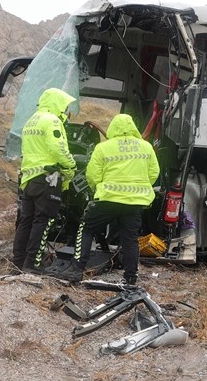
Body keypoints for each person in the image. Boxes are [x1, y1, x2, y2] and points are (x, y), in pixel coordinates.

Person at [62, 113, 161, 286]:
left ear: (113, 128)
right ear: (133, 128)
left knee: (86, 228)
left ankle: (76, 270)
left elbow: (92, 175)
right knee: (130, 239)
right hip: (134, 203)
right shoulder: (146, 147)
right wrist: (139, 187)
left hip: (107, 199)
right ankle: (131, 277)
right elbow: (154, 173)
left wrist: (98, 188)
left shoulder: (103, 147)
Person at [12, 88, 78, 274]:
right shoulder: (52, 121)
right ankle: (33, 263)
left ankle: (18, 262)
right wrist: (71, 164)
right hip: (47, 178)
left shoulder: (31, 121)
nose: (65, 110)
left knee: (26, 221)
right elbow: (58, 149)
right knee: (43, 221)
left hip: (29, 178)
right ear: (57, 103)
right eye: (64, 106)